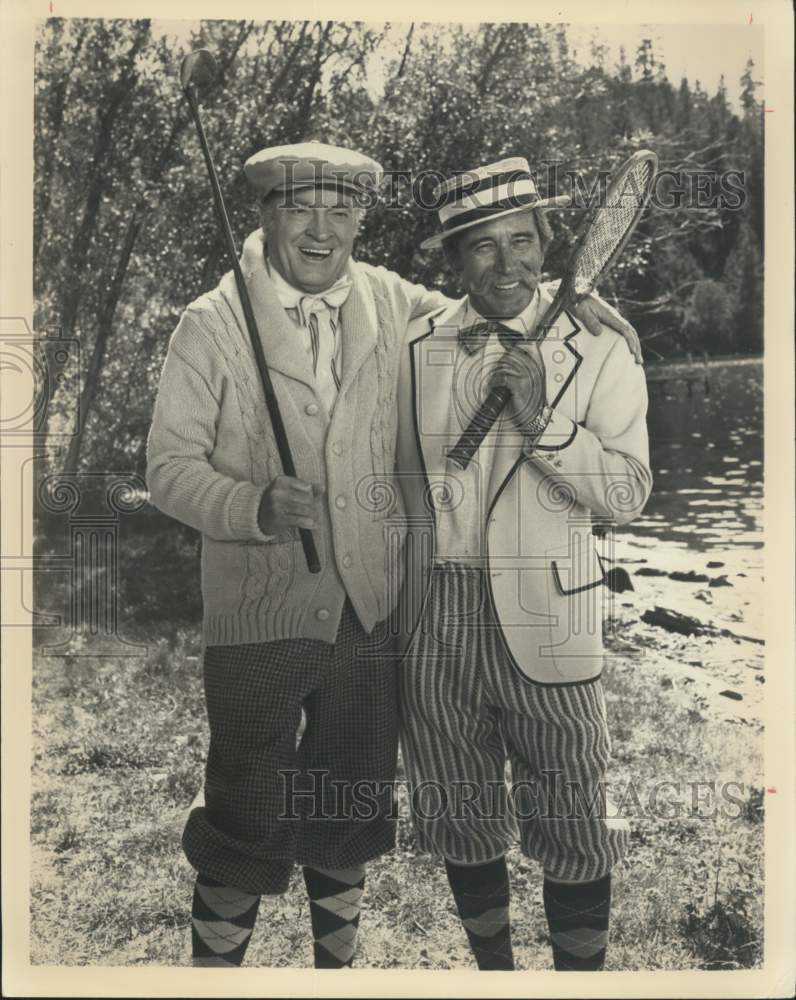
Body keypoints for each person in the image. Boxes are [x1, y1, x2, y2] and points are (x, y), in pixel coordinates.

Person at [146, 141, 643, 969]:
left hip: (371, 617)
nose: (322, 228)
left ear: (361, 223)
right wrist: (250, 504)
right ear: (267, 213)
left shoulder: (390, 302)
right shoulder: (211, 322)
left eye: (342, 210)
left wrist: (579, 299)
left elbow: (497, 295)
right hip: (261, 614)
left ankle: (335, 976)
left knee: (346, 813)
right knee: (245, 817)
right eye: (302, 207)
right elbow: (166, 470)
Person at [394, 157, 652, 972]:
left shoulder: (601, 345)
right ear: (452, 260)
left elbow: (628, 490)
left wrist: (542, 421)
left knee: (576, 822)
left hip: (551, 616)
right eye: (482, 247)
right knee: (461, 813)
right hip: (436, 614)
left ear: (547, 240)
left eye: (522, 240)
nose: (508, 265)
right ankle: (496, 981)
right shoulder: (414, 344)